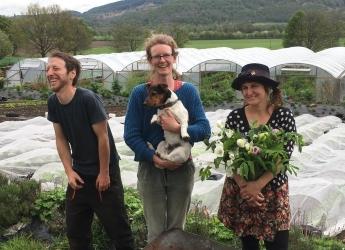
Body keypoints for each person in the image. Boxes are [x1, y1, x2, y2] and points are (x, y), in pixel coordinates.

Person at [124, 34, 211, 242]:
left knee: (176, 232)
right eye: (156, 56)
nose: (162, 60)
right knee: (155, 233)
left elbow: (205, 128)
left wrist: (178, 126)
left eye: (166, 55)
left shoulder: (188, 91)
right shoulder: (139, 94)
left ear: (174, 57)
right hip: (150, 168)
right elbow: (131, 134)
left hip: (181, 168)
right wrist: (153, 157)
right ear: (150, 60)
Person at [46, 51, 134, 250]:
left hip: (104, 174)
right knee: (76, 232)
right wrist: (69, 171)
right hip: (79, 174)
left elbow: (103, 138)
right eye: (48, 69)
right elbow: (60, 139)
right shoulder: (53, 102)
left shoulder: (87, 99)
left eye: (56, 68)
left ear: (72, 74)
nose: (50, 72)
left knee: (119, 231)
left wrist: (104, 174)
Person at [218, 63, 296, 250]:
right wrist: (246, 187)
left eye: (254, 86)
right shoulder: (235, 117)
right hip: (242, 190)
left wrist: (257, 186)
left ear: (266, 89)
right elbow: (229, 157)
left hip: (272, 191)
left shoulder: (283, 115)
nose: (248, 91)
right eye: (244, 88)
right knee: (249, 245)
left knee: (278, 245)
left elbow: (283, 156)